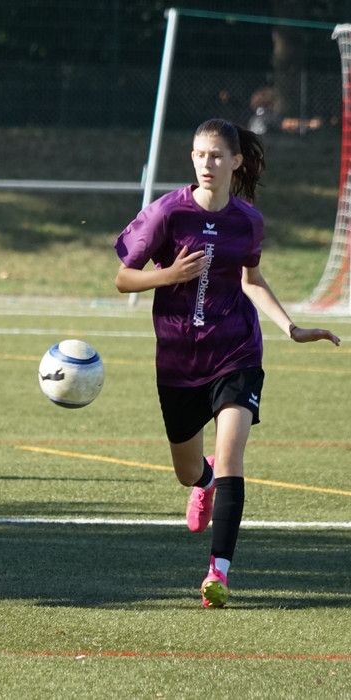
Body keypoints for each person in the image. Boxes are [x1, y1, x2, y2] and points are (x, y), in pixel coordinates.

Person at [114, 118, 340, 607]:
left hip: (236, 350)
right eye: (199, 154)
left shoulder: (247, 220)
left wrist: (291, 328)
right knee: (186, 470)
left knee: (234, 452)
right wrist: (169, 275)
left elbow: (251, 280)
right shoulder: (167, 213)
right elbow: (123, 278)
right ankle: (205, 481)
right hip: (178, 357)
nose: (207, 163)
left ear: (236, 161)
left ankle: (218, 571)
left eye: (216, 155)